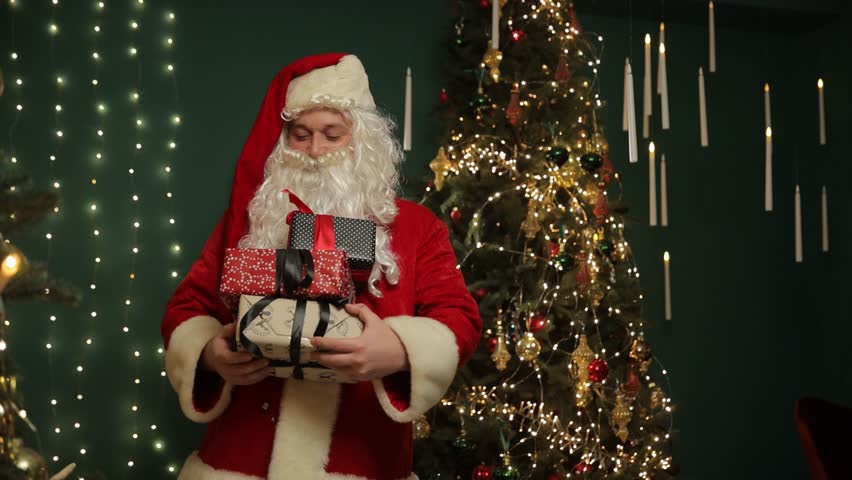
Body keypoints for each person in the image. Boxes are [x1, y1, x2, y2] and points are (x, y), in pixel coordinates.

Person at [161, 53, 482, 480]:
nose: (315, 151)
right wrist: (211, 355)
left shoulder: (417, 228)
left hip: (361, 457)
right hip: (240, 460)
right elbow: (186, 307)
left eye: (333, 135)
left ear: (362, 140)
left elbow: (459, 318)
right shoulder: (252, 217)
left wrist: (398, 350)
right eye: (300, 135)